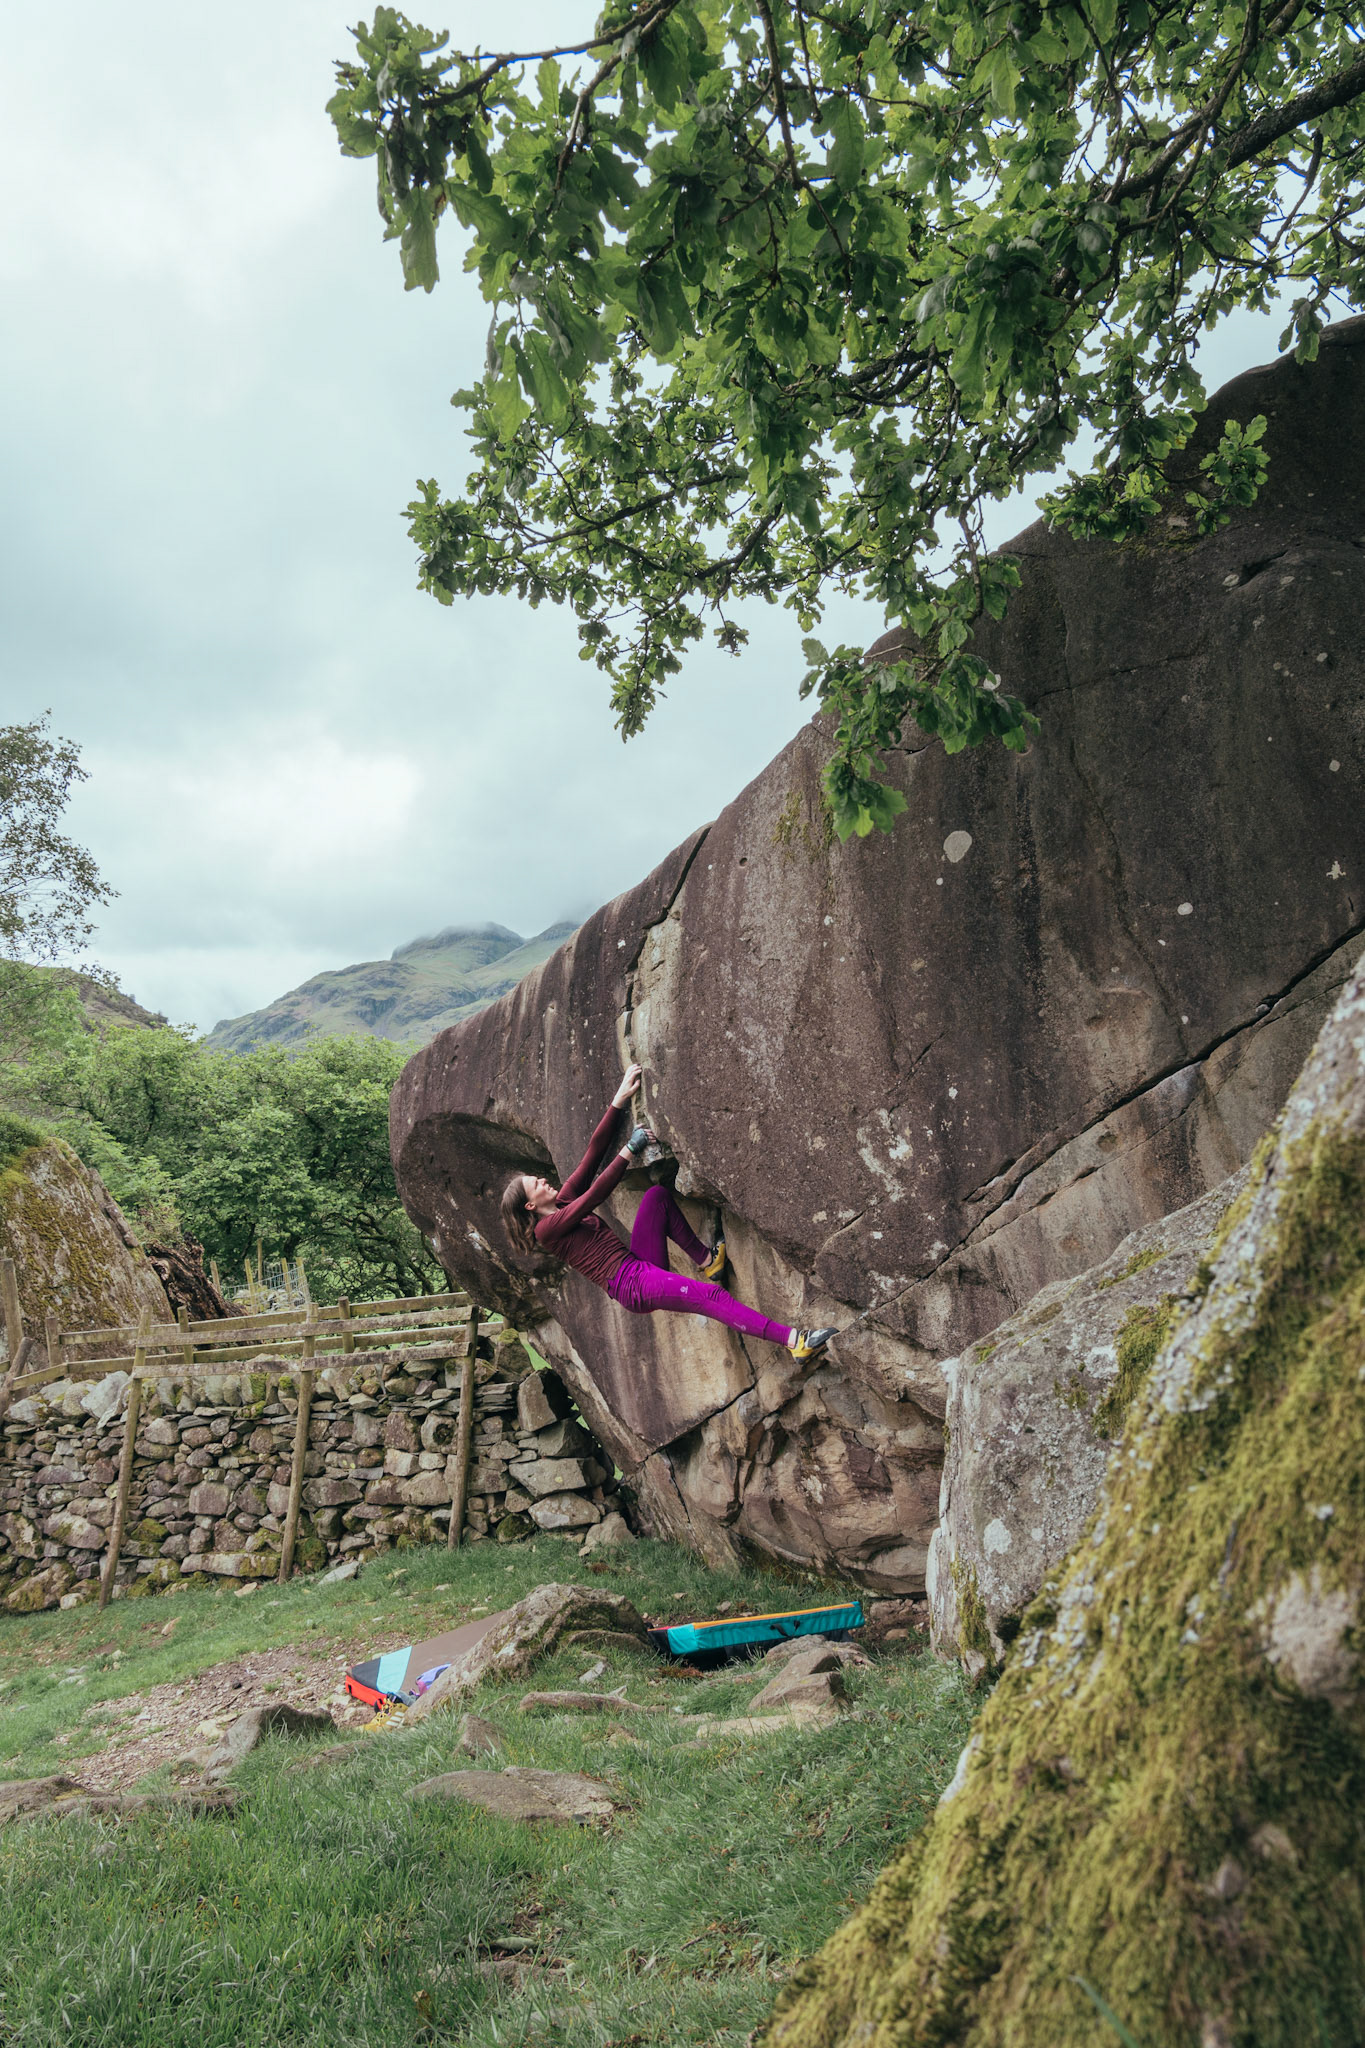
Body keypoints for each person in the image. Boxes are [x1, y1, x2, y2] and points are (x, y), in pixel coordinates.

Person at [500, 1063, 836, 1358]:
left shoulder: (560, 1201)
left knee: (657, 1197)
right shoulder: (546, 1231)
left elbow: (593, 1153)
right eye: (537, 1184)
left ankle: (709, 1260)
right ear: (530, 1205)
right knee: (711, 1297)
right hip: (631, 1285)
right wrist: (630, 1150)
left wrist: (618, 1101)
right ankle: (796, 1342)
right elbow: (593, 1197)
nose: (544, 1181)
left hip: (637, 1264)